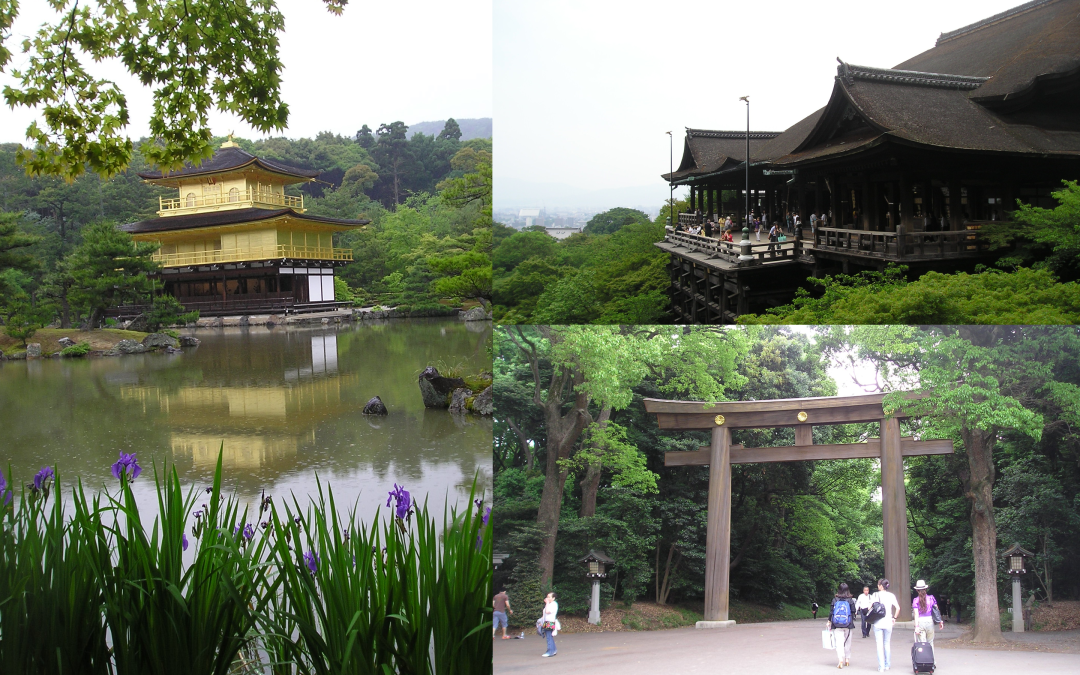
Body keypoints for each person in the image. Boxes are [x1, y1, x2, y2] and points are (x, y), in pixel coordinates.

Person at [871, 578, 900, 672]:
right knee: (887, 643)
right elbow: (898, 608)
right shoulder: (891, 595)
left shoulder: (875, 595)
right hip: (888, 622)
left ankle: (881, 667)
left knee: (879, 645)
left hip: (877, 623)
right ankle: (888, 665)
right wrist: (894, 618)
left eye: (878, 584)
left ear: (880, 586)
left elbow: (869, 607)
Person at [827, 583, 857, 669]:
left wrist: (829, 621)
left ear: (839, 590)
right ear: (848, 590)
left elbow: (831, 612)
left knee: (839, 643)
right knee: (847, 643)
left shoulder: (835, 600)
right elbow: (853, 611)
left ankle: (840, 660)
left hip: (836, 624)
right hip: (848, 625)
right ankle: (847, 660)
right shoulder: (850, 600)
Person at [912, 580, 943, 647]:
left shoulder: (915, 600)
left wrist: (916, 627)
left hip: (920, 621)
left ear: (917, 590)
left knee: (922, 644)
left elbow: (916, 614)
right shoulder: (931, 598)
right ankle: (931, 657)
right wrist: (940, 621)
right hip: (929, 620)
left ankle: (923, 657)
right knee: (930, 642)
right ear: (925, 589)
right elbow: (936, 610)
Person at [540, 592, 559, 657]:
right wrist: (541, 622)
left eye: (549, 597)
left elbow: (547, 612)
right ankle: (553, 650)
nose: (547, 598)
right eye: (547, 596)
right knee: (549, 636)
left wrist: (547, 603)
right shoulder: (550, 604)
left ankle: (550, 651)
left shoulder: (554, 604)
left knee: (549, 637)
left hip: (550, 622)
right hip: (546, 622)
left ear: (553, 598)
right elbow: (544, 614)